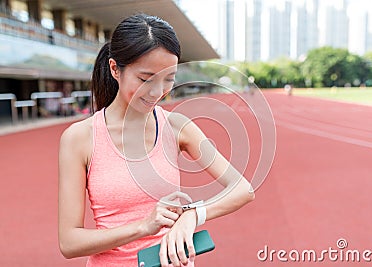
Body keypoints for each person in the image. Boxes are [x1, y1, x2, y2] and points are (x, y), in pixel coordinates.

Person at [58, 14, 255, 267]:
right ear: (115, 69)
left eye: (169, 79)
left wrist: (192, 215)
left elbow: (243, 189)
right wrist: (143, 226)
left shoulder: (177, 127)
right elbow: (69, 242)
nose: (157, 92)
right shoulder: (80, 138)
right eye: (145, 79)